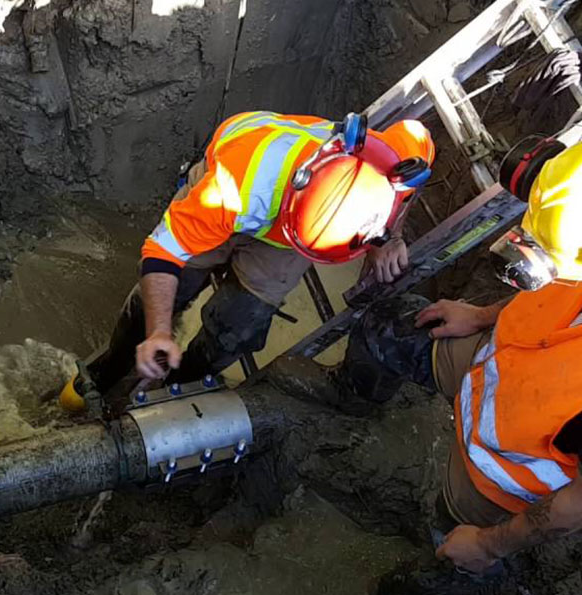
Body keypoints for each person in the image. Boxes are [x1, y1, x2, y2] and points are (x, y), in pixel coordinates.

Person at [342, 132, 582, 595]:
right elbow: (556, 297)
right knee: (386, 325)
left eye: (545, 255)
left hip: (492, 480)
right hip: (489, 363)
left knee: (449, 546)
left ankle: (423, 587)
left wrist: (489, 543)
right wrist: (483, 314)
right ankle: (348, 403)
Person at [60, 110, 434, 409]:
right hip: (244, 196)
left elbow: (418, 137)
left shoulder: (391, 166)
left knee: (236, 329)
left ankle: (174, 387)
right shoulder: (230, 188)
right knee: (156, 302)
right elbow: (162, 255)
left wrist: (391, 237)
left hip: (290, 235)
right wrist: (159, 331)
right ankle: (109, 368)